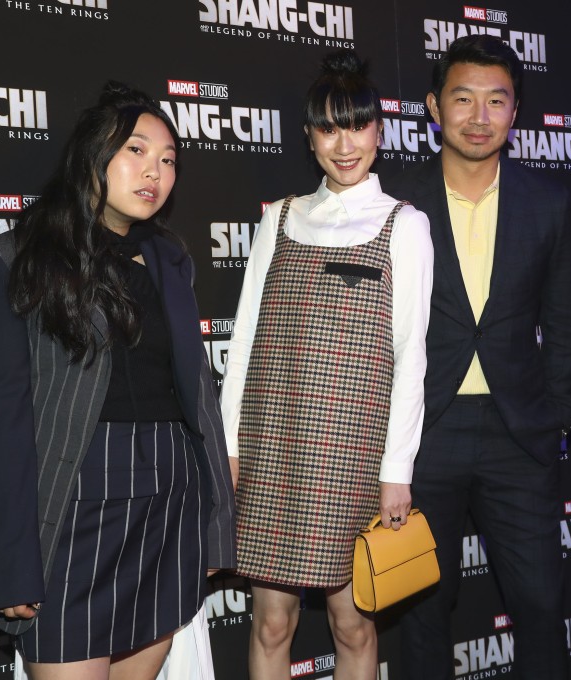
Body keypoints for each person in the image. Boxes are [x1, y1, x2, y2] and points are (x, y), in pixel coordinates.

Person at [0, 82, 236, 679]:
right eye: (136, 151)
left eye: (168, 160)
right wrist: (12, 563)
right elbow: (2, 420)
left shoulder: (171, 260)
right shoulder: (15, 259)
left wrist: (218, 523)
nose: (155, 171)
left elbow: (199, 395)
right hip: (74, 500)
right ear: (94, 155)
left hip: (169, 496)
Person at [220, 50, 433, 679]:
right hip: (271, 449)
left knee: (353, 625)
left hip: (354, 455)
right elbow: (246, 342)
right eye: (329, 128)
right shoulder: (278, 219)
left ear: (379, 131)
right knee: (271, 623)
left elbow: (410, 354)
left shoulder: (404, 225)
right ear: (310, 137)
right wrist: (230, 444)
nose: (345, 144)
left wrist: (397, 470)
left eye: (358, 125)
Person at [381, 35, 571, 680]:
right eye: (462, 98)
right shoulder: (393, 201)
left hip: (516, 432)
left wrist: (554, 419)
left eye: (496, 100)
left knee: (541, 603)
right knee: (421, 611)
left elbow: (563, 322)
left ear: (515, 111)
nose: (479, 115)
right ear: (434, 108)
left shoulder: (546, 204)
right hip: (425, 434)